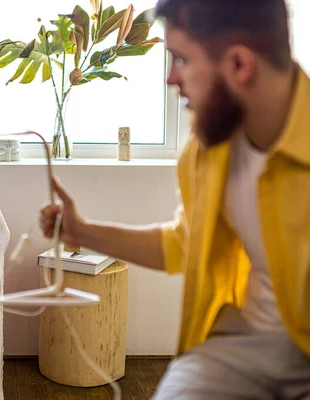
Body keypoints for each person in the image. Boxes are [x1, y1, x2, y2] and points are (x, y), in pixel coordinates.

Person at [40, 0, 310, 398]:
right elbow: (184, 244)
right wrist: (82, 231)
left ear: (239, 65)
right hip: (243, 346)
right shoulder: (207, 152)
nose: (170, 79)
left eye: (180, 59)